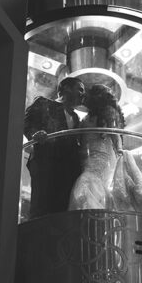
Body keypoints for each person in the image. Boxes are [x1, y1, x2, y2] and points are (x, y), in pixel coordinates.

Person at [68, 84, 142, 215]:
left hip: (102, 153)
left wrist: (119, 149)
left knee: (89, 179)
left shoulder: (107, 112)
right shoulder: (90, 116)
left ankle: (90, 212)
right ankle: (96, 211)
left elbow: (114, 133)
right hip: (91, 154)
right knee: (93, 179)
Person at [23, 76, 86, 218]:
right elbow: (26, 123)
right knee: (42, 207)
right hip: (46, 164)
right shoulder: (43, 102)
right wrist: (35, 134)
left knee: (62, 209)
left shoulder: (76, 117)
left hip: (67, 171)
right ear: (66, 88)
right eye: (80, 89)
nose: (83, 94)